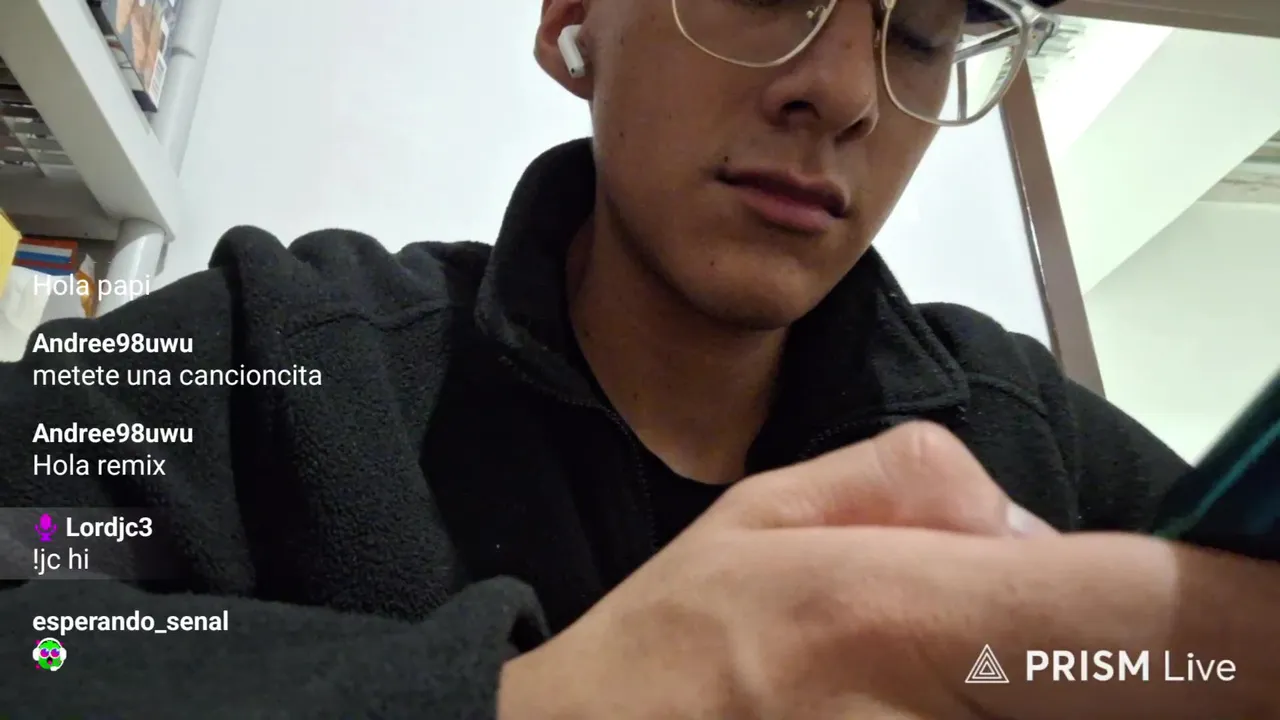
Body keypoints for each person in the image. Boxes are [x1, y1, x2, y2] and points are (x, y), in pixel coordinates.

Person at [3, 0, 1277, 716]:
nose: (843, 93)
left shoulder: (1023, 438)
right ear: (575, 22)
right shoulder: (277, 356)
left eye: (919, 33)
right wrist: (539, 701)